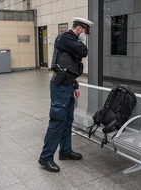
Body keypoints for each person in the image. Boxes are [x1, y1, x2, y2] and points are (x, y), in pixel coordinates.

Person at [38, 17, 94, 172]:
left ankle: (65, 151)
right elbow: (84, 51)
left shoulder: (69, 41)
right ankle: (46, 157)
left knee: (68, 119)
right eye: (85, 32)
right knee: (57, 120)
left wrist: (75, 85)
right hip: (60, 85)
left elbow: (70, 66)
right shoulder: (67, 37)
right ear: (80, 28)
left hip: (68, 84)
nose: (85, 36)